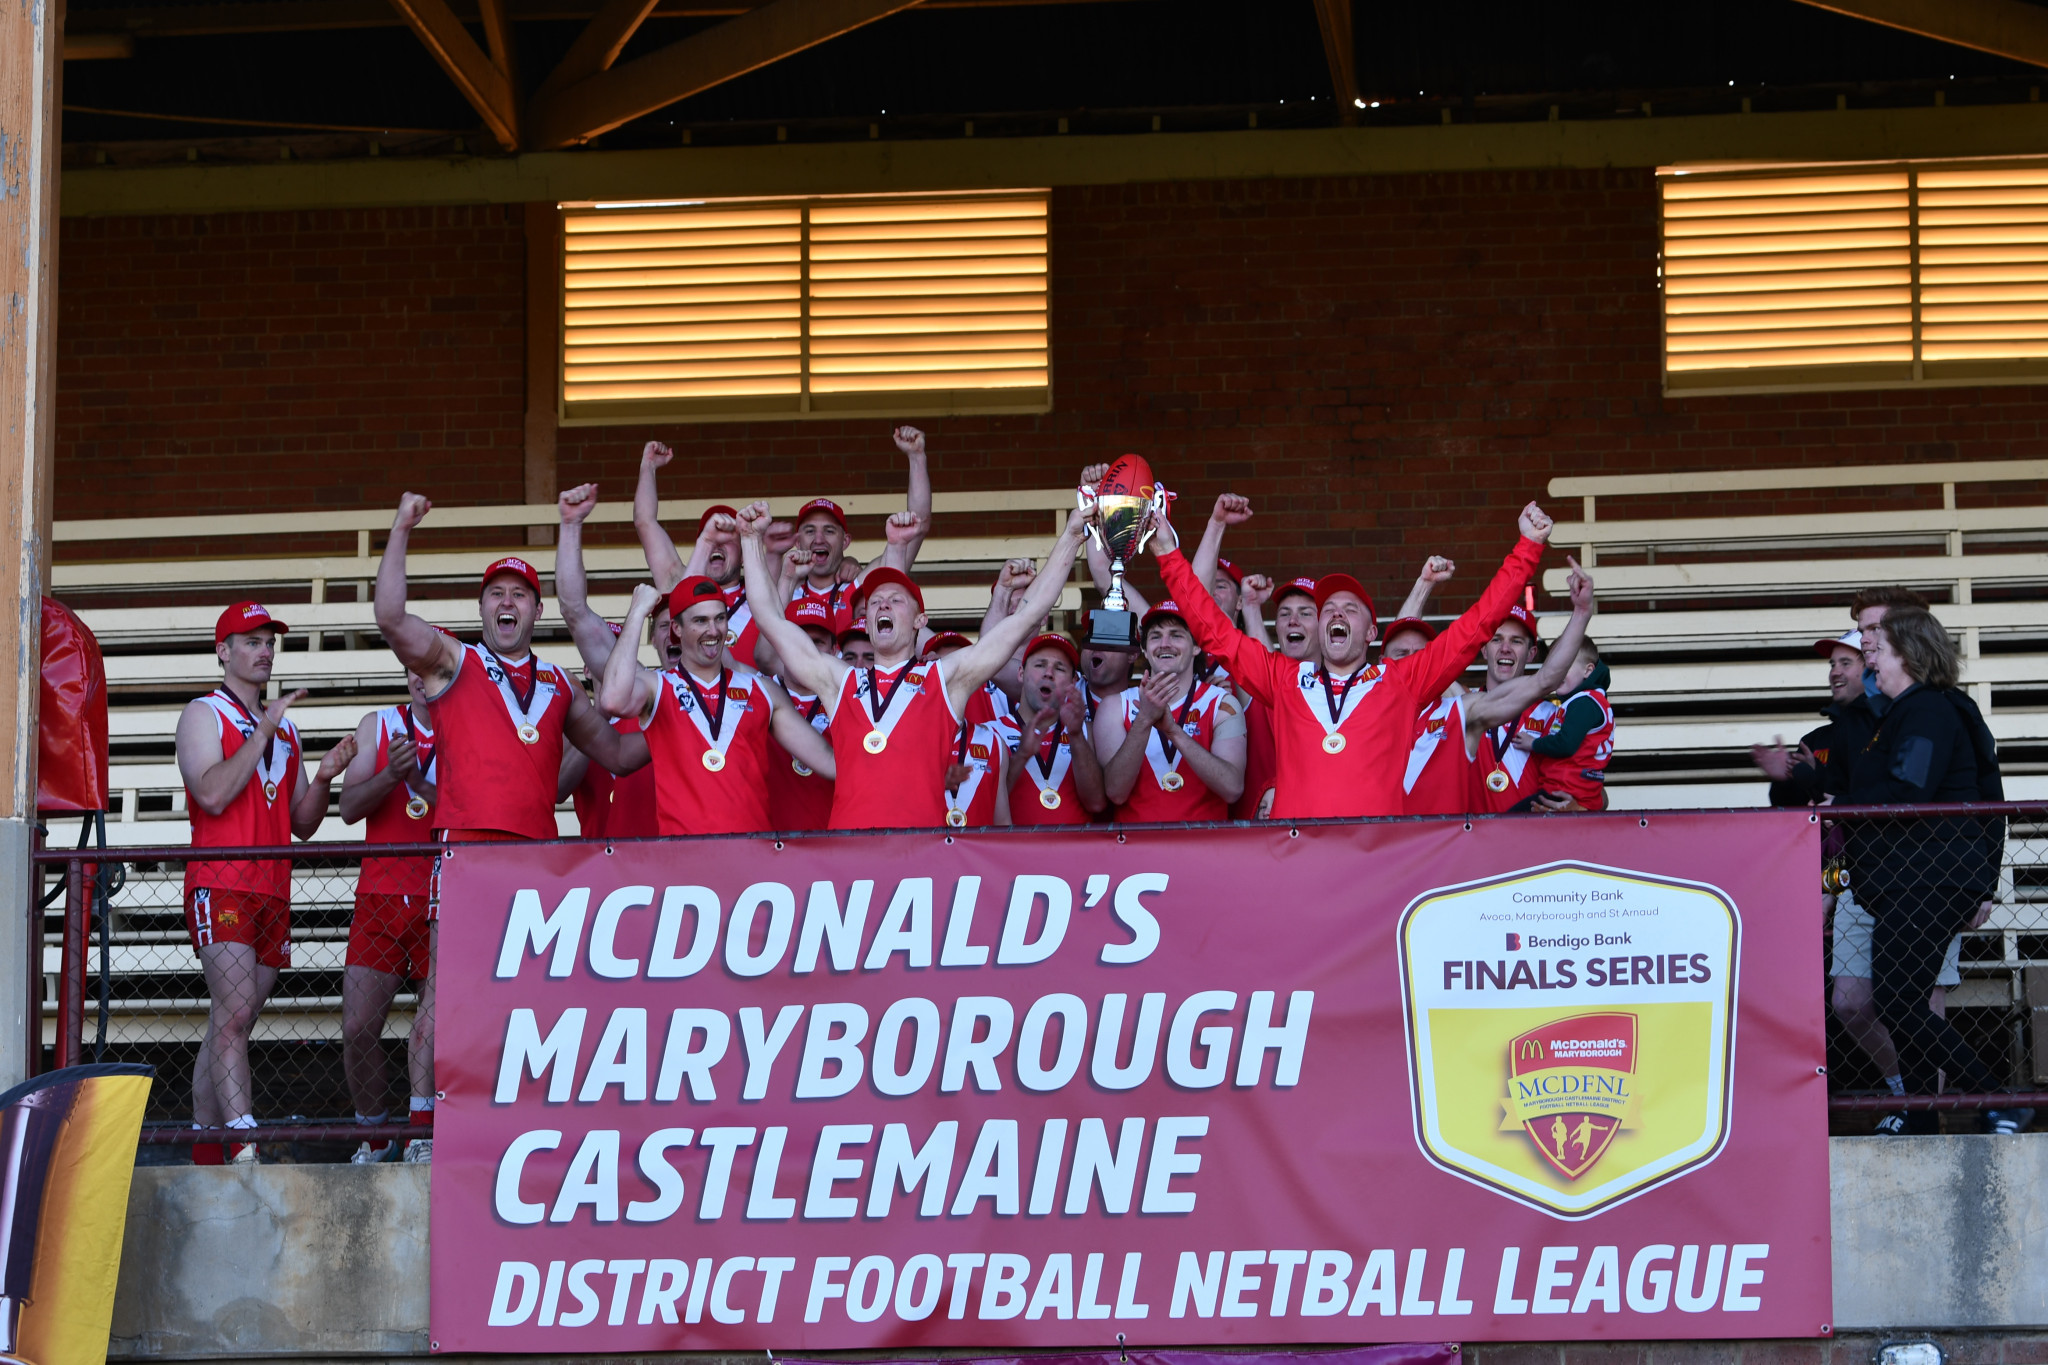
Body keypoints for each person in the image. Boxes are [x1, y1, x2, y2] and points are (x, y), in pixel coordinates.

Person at [1148, 500, 1553, 818]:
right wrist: (1167, 551)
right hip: (1300, 865)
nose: (1337, 613)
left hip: (1375, 868)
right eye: (1328, 609)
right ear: (1321, 630)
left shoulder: (1400, 680)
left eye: (1351, 609)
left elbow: (1476, 627)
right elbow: (1213, 631)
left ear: (1371, 634)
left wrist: (1527, 548)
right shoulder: (1285, 678)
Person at [741, 499, 1089, 829]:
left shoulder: (944, 678)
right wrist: (750, 540)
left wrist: (1072, 536)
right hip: (849, 865)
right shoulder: (839, 681)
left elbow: (1027, 614)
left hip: (921, 866)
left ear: (920, 620)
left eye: (895, 600)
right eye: (875, 602)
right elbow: (770, 618)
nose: (883, 606)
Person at [175, 602, 357, 1164]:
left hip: (274, 889)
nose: (263, 650)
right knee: (231, 1018)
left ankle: (204, 1150)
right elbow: (211, 793)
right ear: (222, 651)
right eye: (250, 641)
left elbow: (301, 823)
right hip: (223, 882)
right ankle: (244, 1145)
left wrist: (325, 776)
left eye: (268, 641)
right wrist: (264, 729)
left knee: (232, 1022)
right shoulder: (204, 713)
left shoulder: (286, 729)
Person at [1845, 607, 2027, 1134]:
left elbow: (1910, 788)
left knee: (1897, 998)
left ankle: (1998, 1098)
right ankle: (1926, 1117)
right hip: (1912, 879)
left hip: (1927, 878)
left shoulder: (1927, 710)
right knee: (1904, 1000)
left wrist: (1846, 801)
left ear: (1910, 655)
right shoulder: (1903, 712)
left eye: (1881, 648)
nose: (1870, 657)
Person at [375, 494, 641, 846]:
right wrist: (401, 529)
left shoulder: (561, 682)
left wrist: (676, 723)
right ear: (481, 607)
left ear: (538, 610)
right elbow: (391, 619)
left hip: (536, 853)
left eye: (519, 594)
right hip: (465, 847)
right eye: (496, 593)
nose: (506, 602)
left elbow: (619, 755)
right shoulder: (453, 661)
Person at [1755, 630, 1911, 1131]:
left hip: (1904, 881)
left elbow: (1876, 794)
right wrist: (1784, 778)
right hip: (1829, 891)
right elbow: (1799, 809)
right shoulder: (1819, 740)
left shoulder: (1898, 724)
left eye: (1847, 661)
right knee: (1837, 1004)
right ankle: (1851, 1102)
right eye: (1833, 664)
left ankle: (1929, 1105)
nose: (1835, 671)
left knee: (1910, 1001)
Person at [598, 578, 835, 835]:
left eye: (719, 619)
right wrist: (636, 614)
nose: (713, 630)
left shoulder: (763, 691)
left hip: (752, 856)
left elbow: (827, 760)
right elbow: (613, 699)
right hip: (683, 860)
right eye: (700, 621)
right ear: (676, 629)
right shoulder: (657, 686)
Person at [337, 667, 439, 1163]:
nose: (424, 680)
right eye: (415, 671)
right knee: (358, 1028)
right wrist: (391, 776)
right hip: (381, 896)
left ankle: (427, 1134)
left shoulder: (471, 725)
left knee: (437, 1029)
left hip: (445, 895)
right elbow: (348, 808)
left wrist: (419, 779)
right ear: (405, 677)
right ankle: (376, 1136)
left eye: (435, 670)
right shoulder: (377, 725)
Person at [1404, 561, 1595, 816]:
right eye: (1496, 639)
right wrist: (1423, 585)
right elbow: (1407, 666)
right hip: (1471, 847)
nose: (1505, 648)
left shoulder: (1553, 716)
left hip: (1531, 847)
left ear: (1532, 653)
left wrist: (1579, 807)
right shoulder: (1462, 704)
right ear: (1483, 649)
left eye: (1516, 641)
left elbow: (1596, 791)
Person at [555, 484, 657, 838]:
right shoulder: (577, 723)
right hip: (597, 877)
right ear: (588, 664)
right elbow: (557, 791)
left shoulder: (651, 705)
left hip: (660, 866)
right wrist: (597, 718)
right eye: (604, 653)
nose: (613, 662)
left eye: (620, 652)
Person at [1095, 600, 1247, 822]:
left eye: (1176, 635)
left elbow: (1232, 788)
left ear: (1196, 647)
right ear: (1145, 650)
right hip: (1137, 850)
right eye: (1156, 636)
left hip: (1204, 848)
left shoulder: (1222, 703)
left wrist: (1174, 732)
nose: (1165, 644)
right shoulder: (1115, 706)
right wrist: (1144, 720)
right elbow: (1116, 792)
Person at [1009, 634, 1108, 823]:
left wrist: (1076, 735)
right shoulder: (993, 733)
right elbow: (989, 803)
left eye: (1059, 668)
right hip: (1017, 851)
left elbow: (1096, 803)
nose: (1048, 673)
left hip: (1074, 851)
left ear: (1073, 682)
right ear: (1021, 673)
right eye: (1039, 665)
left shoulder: (1086, 731)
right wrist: (1021, 756)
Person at [765, 597, 838, 831]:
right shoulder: (758, 694)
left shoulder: (851, 701)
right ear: (780, 645)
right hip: (768, 847)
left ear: (834, 650)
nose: (806, 651)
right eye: (798, 640)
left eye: (816, 642)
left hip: (835, 845)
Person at [1516, 637, 1614, 811]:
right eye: (1554, 666)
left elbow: (1566, 744)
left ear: (1588, 670)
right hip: (1568, 788)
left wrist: (1533, 743)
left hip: (1565, 792)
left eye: (1566, 666)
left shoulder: (1585, 702)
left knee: (1509, 821)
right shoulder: (1582, 701)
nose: (1558, 672)